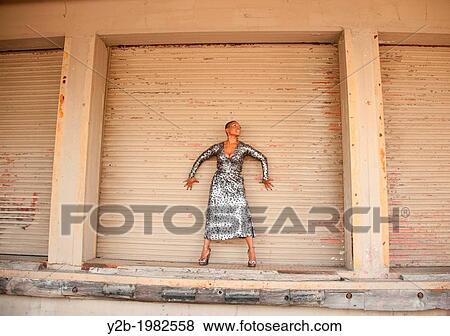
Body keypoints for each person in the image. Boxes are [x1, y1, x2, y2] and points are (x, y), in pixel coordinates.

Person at [184, 120, 273, 267]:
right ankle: (205, 250)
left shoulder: (243, 147)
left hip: (236, 184)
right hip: (218, 184)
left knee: (242, 215)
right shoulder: (218, 147)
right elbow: (201, 158)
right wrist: (192, 175)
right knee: (214, 214)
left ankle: (251, 251)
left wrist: (265, 177)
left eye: (239, 127)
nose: (238, 128)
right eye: (234, 126)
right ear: (226, 130)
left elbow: (262, 158)